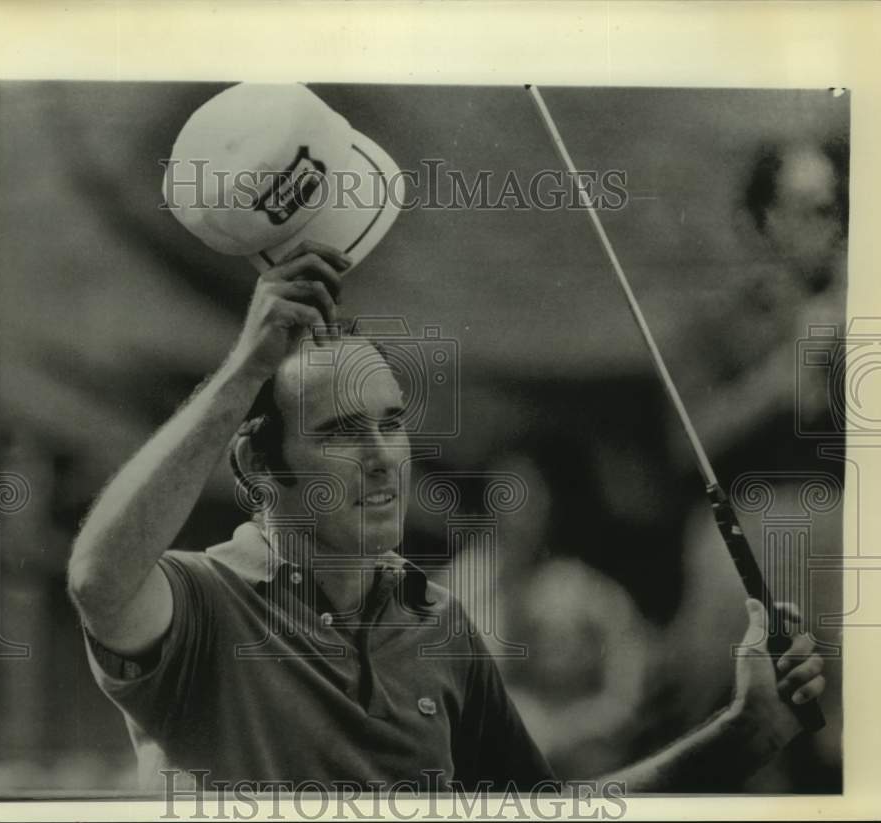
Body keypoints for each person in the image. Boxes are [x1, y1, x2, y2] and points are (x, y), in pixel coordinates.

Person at [67, 240, 827, 795]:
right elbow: (100, 578)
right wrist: (246, 369)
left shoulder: (440, 624)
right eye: (338, 430)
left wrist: (746, 732)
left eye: (390, 423)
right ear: (259, 467)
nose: (381, 457)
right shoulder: (203, 605)